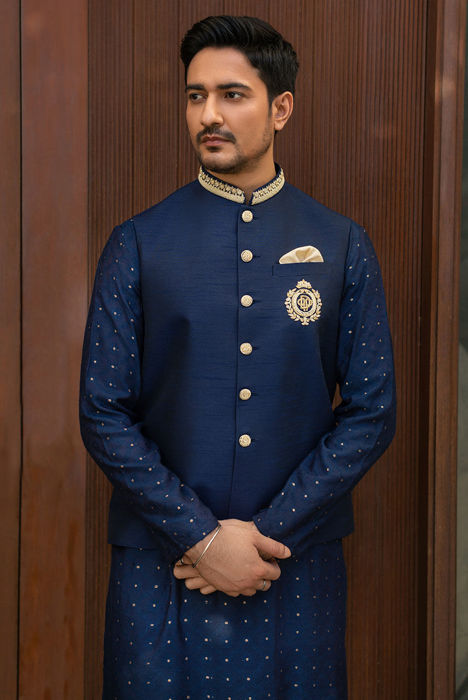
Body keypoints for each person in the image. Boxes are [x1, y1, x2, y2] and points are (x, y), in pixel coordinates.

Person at [79, 14, 396, 700]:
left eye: (232, 94)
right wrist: (201, 539)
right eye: (196, 96)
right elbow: (103, 411)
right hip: (162, 565)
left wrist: (265, 537)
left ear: (281, 108)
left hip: (293, 563)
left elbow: (372, 411)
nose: (209, 115)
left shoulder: (341, 245)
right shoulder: (139, 244)